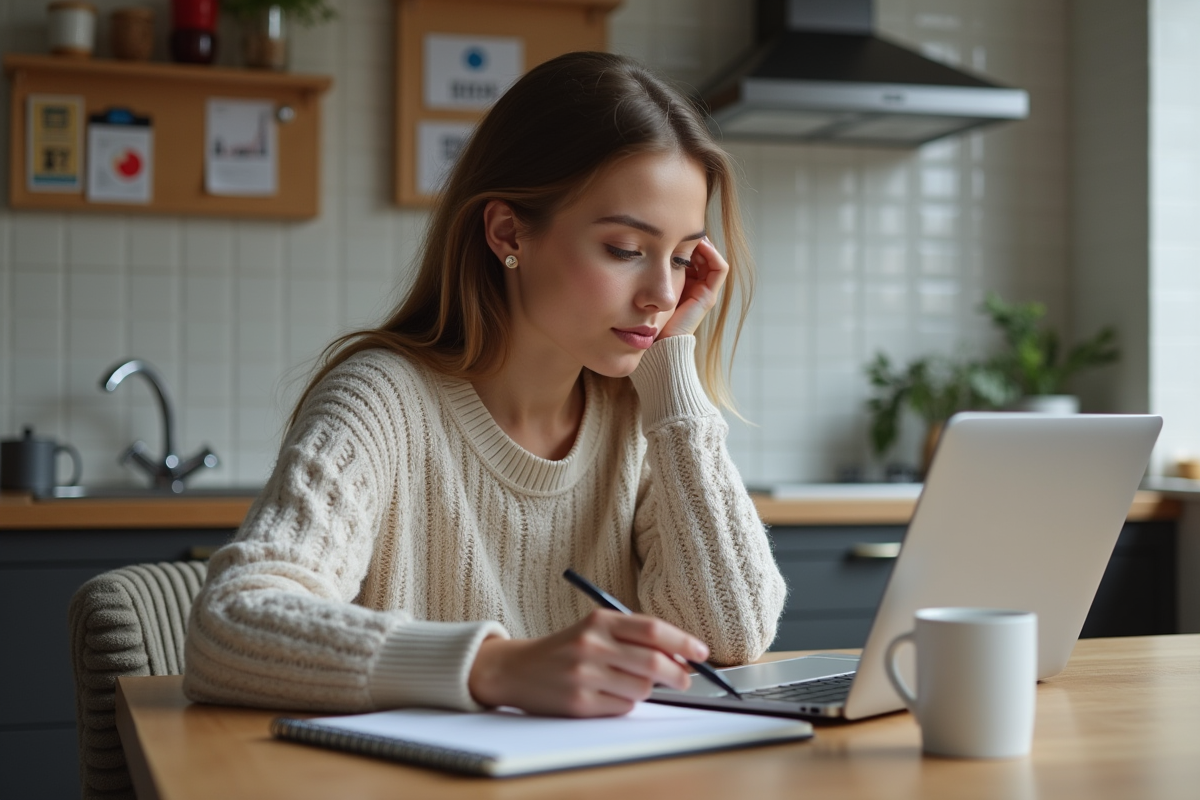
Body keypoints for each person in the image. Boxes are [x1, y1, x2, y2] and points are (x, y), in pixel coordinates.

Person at [183, 51, 786, 718]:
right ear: (508, 232)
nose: (663, 294)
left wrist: (672, 368)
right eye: (625, 250)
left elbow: (729, 635)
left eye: (680, 258)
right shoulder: (381, 401)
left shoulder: (639, 418)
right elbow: (231, 625)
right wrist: (493, 667)